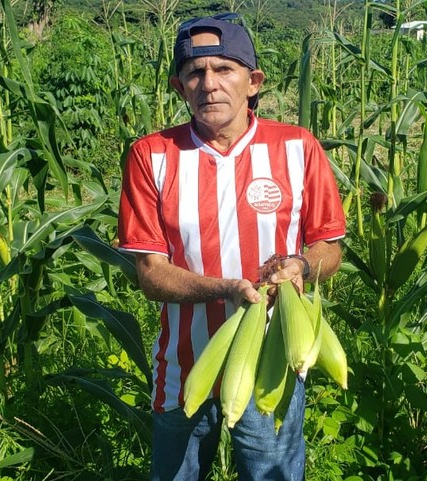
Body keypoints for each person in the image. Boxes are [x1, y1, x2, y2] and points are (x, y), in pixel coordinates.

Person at [117, 12, 346, 480]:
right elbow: (150, 273)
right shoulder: (151, 156)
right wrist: (225, 288)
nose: (209, 84)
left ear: (253, 82)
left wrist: (301, 264)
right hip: (184, 369)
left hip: (272, 363)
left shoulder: (298, 148)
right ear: (179, 88)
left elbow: (329, 246)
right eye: (194, 73)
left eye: (224, 69)